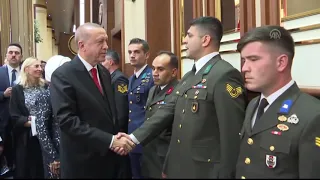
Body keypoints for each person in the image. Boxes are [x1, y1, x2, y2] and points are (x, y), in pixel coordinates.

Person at [116, 16, 247, 178]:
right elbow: (166, 113)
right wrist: (133, 139)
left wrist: (227, 175)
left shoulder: (224, 75)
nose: (185, 40)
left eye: (190, 35)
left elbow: (232, 136)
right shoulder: (189, 77)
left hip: (206, 171)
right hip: (182, 167)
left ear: (205, 40)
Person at [49, 22, 135, 179]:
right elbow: (67, 121)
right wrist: (109, 140)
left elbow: (109, 111)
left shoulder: (103, 71)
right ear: (82, 45)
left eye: (106, 41)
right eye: (100, 41)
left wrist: (117, 136)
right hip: (83, 162)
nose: (106, 46)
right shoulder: (63, 75)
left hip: (109, 160)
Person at [235, 25, 320, 179]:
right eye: (243, 60)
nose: (244, 68)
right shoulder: (254, 104)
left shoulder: (312, 115)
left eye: (253, 59)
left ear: (281, 62)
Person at [141, 51, 179, 179]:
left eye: (160, 69)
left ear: (173, 72)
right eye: (153, 68)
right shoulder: (153, 89)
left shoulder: (178, 92)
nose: (155, 73)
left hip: (164, 157)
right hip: (149, 153)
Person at [9, 57, 46, 178]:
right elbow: (14, 116)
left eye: (40, 66)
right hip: (26, 138)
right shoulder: (17, 89)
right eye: (36, 66)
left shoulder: (45, 86)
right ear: (26, 69)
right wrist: (32, 122)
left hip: (45, 136)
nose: (40, 69)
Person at [101, 50, 132, 179]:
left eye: (103, 61)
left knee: (121, 168)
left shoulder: (119, 79)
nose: (101, 64)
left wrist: (116, 131)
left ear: (110, 62)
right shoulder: (109, 77)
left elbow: (121, 109)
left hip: (119, 132)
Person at [127, 38, 154, 179]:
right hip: (131, 137)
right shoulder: (131, 79)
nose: (132, 55)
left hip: (145, 138)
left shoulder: (152, 76)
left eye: (136, 52)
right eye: (130, 52)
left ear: (147, 55)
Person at [0, 43, 22, 177]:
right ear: (6, 55)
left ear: (21, 56)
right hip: (3, 120)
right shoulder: (0, 72)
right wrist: (3, 94)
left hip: (21, 121)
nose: (13, 55)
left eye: (17, 53)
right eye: (11, 52)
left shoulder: (27, 73)